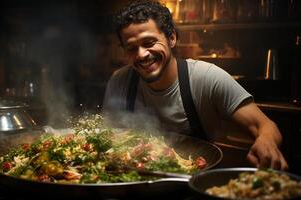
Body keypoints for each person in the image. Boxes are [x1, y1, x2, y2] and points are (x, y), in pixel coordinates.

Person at [102, 0, 288, 170]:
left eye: (149, 42)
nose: (141, 54)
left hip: (194, 182)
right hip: (134, 182)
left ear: (171, 38)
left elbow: (265, 125)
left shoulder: (206, 77)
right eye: (132, 48)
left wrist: (266, 142)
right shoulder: (119, 81)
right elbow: (109, 137)